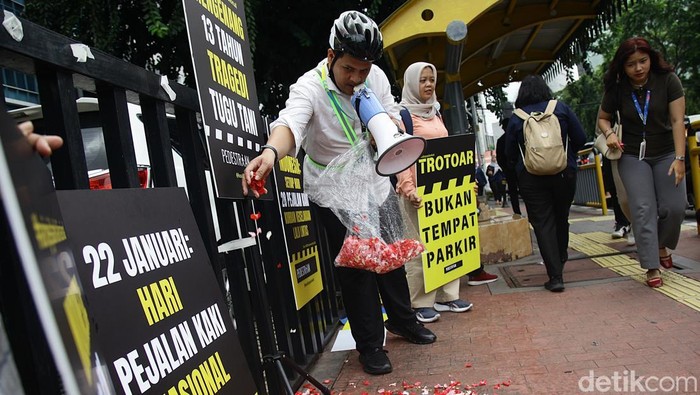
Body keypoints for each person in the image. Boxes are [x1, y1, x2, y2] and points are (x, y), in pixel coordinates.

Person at [241, 11, 435, 375]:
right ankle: (370, 345)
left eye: (363, 70)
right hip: (333, 193)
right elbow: (290, 125)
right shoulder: (309, 88)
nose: (357, 78)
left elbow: (391, 108)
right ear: (331, 56)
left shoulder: (372, 76)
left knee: (391, 254)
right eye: (349, 69)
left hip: (375, 183)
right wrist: (269, 153)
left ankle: (403, 320)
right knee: (357, 267)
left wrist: (390, 124)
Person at [596, 37, 687, 288]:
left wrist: (680, 159)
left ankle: (660, 245)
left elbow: (679, 121)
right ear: (622, 67)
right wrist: (610, 133)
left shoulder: (668, 80)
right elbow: (603, 118)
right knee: (643, 208)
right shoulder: (617, 88)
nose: (638, 68)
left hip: (667, 152)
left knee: (675, 207)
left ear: (651, 59)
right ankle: (651, 265)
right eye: (631, 64)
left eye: (643, 61)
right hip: (632, 155)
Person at [395, 62, 473, 324]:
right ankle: (420, 302)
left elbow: (449, 153)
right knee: (418, 247)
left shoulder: (435, 113)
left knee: (447, 242)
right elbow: (401, 154)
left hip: (442, 192)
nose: (428, 85)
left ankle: (448, 295)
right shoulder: (403, 115)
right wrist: (408, 188)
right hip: (416, 193)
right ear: (411, 84)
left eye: (432, 79)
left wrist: (463, 183)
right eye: (423, 80)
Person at [505, 74, 586, 292]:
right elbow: (580, 137)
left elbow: (509, 152)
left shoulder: (517, 117)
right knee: (561, 216)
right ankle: (561, 254)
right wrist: (566, 158)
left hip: (531, 178)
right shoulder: (560, 108)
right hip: (564, 174)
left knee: (542, 223)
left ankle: (555, 275)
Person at [601, 155, 635, 245]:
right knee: (618, 193)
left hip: (637, 150)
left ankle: (636, 225)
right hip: (613, 151)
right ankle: (627, 223)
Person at [496, 120, 522, 215]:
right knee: (526, 191)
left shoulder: (501, 141)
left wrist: (506, 169)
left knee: (513, 192)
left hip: (509, 171)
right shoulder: (518, 137)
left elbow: (499, 159)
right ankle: (531, 212)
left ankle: (517, 212)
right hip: (520, 170)